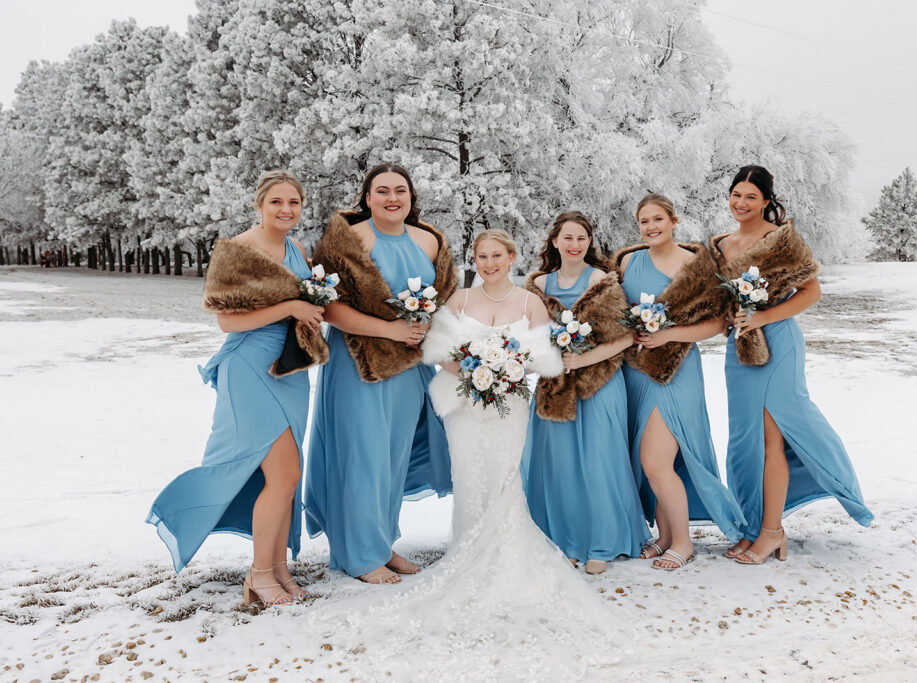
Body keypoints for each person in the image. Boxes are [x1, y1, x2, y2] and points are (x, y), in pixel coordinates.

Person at [311, 230, 637, 678]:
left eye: (497, 256)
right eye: (481, 256)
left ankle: (505, 556)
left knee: (505, 477)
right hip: (464, 406)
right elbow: (434, 350)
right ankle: (467, 548)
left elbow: (548, 359)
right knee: (470, 475)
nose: (488, 263)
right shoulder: (460, 300)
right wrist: (472, 367)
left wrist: (509, 370)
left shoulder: (530, 303)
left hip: (511, 406)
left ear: (511, 257)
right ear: (475, 259)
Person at [148, 170, 326, 605]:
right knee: (282, 474)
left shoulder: (295, 247)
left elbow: (305, 305)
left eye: (294, 203)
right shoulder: (239, 249)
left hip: (291, 371)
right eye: (277, 202)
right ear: (259, 204)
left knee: (288, 475)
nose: (287, 210)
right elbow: (227, 320)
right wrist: (291, 305)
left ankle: (279, 568)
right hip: (250, 366)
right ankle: (259, 575)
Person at [710, 165, 873, 564]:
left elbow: (812, 291)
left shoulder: (781, 240)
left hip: (778, 345)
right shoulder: (720, 244)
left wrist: (764, 317)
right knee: (743, 440)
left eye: (751, 196)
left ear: (767, 200)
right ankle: (752, 527)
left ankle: (771, 532)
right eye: (736, 194)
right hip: (740, 349)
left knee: (771, 440)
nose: (741, 202)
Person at [304, 163, 456, 584]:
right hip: (358, 363)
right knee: (363, 455)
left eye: (400, 191)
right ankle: (360, 555)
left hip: (408, 367)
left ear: (411, 197)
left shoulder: (429, 240)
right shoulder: (346, 241)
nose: (392, 198)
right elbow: (329, 307)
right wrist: (390, 328)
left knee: (393, 456)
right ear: (367, 197)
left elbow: (441, 300)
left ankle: (382, 543)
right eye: (382, 190)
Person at [615, 194, 745, 570]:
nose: (651, 227)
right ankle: (665, 536)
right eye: (644, 221)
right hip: (636, 372)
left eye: (658, 219)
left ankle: (684, 542)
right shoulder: (627, 261)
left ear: (675, 220)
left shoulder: (694, 264)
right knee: (652, 461)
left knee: (655, 461)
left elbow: (719, 322)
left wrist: (670, 335)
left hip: (676, 371)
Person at [521, 211, 648, 574]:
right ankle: (566, 539)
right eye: (568, 237)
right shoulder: (539, 286)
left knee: (599, 462)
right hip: (555, 386)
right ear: (555, 241)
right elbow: (530, 337)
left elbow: (624, 337)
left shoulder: (602, 281)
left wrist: (582, 360)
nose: (575, 245)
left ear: (590, 242)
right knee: (558, 463)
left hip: (601, 383)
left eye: (582, 238)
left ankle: (602, 542)